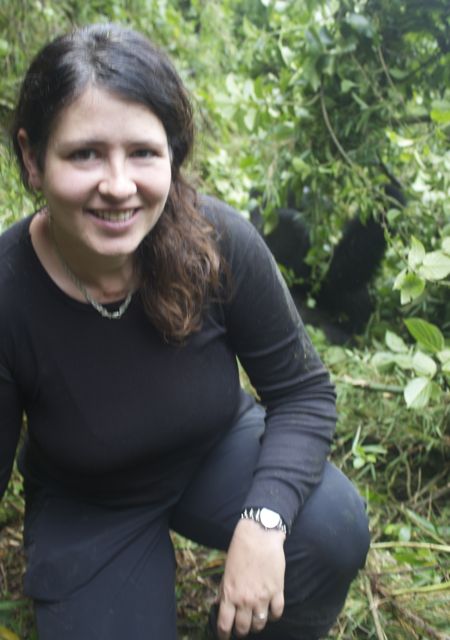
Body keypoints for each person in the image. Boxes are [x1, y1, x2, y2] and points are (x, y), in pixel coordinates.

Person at [0, 23, 370, 640]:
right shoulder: (8, 287)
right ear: (33, 160)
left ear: (172, 153)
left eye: (143, 152)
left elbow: (303, 391)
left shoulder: (215, 241)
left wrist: (264, 520)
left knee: (331, 527)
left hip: (216, 450)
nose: (118, 186)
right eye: (83, 153)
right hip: (89, 500)